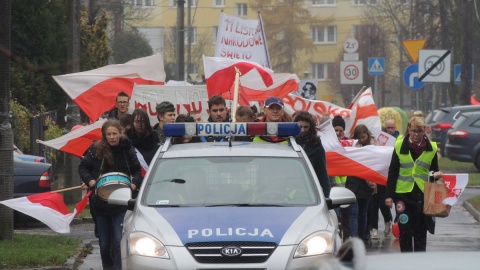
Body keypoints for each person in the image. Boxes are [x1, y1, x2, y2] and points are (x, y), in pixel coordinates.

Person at [79, 119, 143, 270]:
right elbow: (83, 167)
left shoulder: (128, 149)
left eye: (115, 134)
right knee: (104, 243)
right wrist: (90, 181)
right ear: (104, 135)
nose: (112, 137)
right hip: (101, 204)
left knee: (117, 240)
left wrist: (134, 183)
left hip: (121, 203)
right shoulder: (95, 149)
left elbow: (137, 171)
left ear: (121, 133)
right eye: (109, 134)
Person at [385, 116, 443, 252]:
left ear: (424, 132)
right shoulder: (400, 146)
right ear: (409, 130)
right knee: (404, 231)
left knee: (421, 231)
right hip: (403, 195)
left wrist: (435, 175)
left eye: (420, 132)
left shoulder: (431, 148)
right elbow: (393, 172)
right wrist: (389, 195)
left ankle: (418, 262)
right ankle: (407, 263)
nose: (416, 135)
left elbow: (433, 171)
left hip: (423, 196)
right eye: (414, 131)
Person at [345, 124, 377, 243]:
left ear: (368, 135)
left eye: (364, 137)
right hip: (353, 182)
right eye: (360, 138)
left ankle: (362, 236)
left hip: (367, 183)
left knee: (363, 212)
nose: (362, 140)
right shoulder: (353, 145)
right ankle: (355, 238)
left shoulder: (375, 146)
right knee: (354, 212)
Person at [293, 111, 331, 197]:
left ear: (311, 128)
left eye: (306, 127)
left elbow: (322, 173)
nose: (302, 130)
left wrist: (327, 197)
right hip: (288, 189)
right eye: (300, 127)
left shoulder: (316, 145)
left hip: (308, 192)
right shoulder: (288, 141)